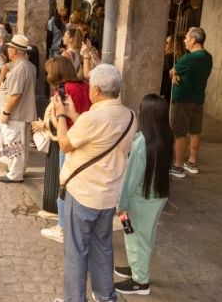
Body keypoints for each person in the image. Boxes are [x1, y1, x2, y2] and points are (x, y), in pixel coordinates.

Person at [52, 64, 137, 302]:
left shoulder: (92, 118)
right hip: (109, 194)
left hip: (83, 193)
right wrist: (73, 116)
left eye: (91, 86)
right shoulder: (130, 116)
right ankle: (106, 297)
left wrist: (60, 116)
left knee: (76, 251)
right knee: (103, 248)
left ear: (97, 89)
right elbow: (101, 137)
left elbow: (65, 144)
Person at [114, 94, 173, 296]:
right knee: (145, 236)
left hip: (141, 199)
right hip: (156, 196)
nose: (138, 112)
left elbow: (131, 179)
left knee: (136, 237)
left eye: (141, 110)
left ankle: (140, 282)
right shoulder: (165, 136)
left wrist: (120, 204)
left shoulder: (143, 144)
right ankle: (136, 266)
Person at [36, 57, 91, 242]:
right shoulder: (85, 84)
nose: (47, 75)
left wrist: (48, 122)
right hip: (86, 139)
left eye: (49, 71)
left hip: (68, 140)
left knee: (64, 186)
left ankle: (62, 228)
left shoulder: (61, 91)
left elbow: (56, 120)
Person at [169, 27, 213, 177]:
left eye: (187, 37)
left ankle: (178, 166)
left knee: (179, 133)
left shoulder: (189, 58)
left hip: (183, 99)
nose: (184, 40)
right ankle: (192, 162)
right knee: (195, 131)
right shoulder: (208, 57)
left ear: (193, 40)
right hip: (198, 99)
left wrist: (175, 77)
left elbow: (171, 72)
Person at [0, 35, 37, 184]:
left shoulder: (19, 68)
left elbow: (15, 95)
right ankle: (18, 170)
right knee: (20, 144)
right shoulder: (27, 65)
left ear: (15, 50)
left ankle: (15, 174)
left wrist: (6, 112)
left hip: (16, 113)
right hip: (23, 112)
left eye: (10, 47)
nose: (8, 49)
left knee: (14, 143)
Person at [160, 34, 185, 103]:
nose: (165, 44)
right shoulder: (181, 57)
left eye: (167, 43)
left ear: (173, 45)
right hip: (177, 89)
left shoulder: (168, 57)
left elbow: (164, 73)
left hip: (167, 88)